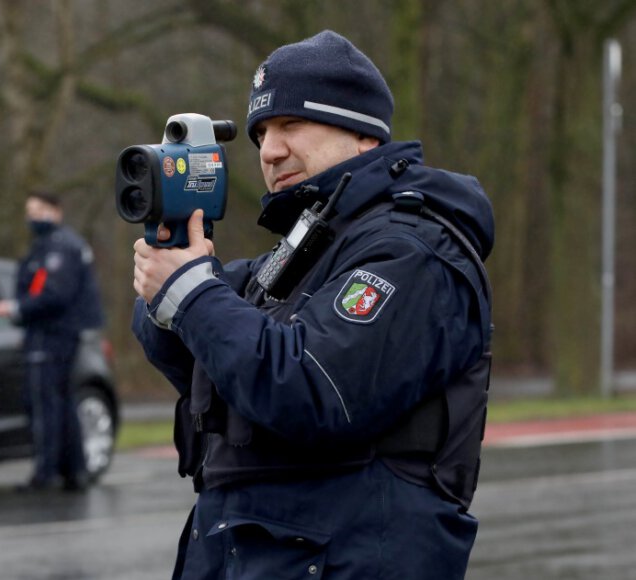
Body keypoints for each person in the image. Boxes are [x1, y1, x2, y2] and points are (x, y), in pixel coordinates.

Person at [131, 30, 493, 579]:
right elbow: (210, 363)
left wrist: (190, 292)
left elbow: (311, 386)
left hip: (348, 556)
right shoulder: (300, 251)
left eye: (291, 125)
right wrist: (171, 266)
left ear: (363, 135)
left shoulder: (413, 250)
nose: (270, 151)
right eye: (259, 135)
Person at [0, 191, 105, 492]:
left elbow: (55, 294)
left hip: (53, 336)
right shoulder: (48, 247)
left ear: (56, 211)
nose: (33, 217)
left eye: (39, 209)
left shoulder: (60, 248)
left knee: (46, 405)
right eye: (30, 210)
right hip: (49, 334)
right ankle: (73, 471)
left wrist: (15, 308)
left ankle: (47, 473)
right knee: (62, 403)